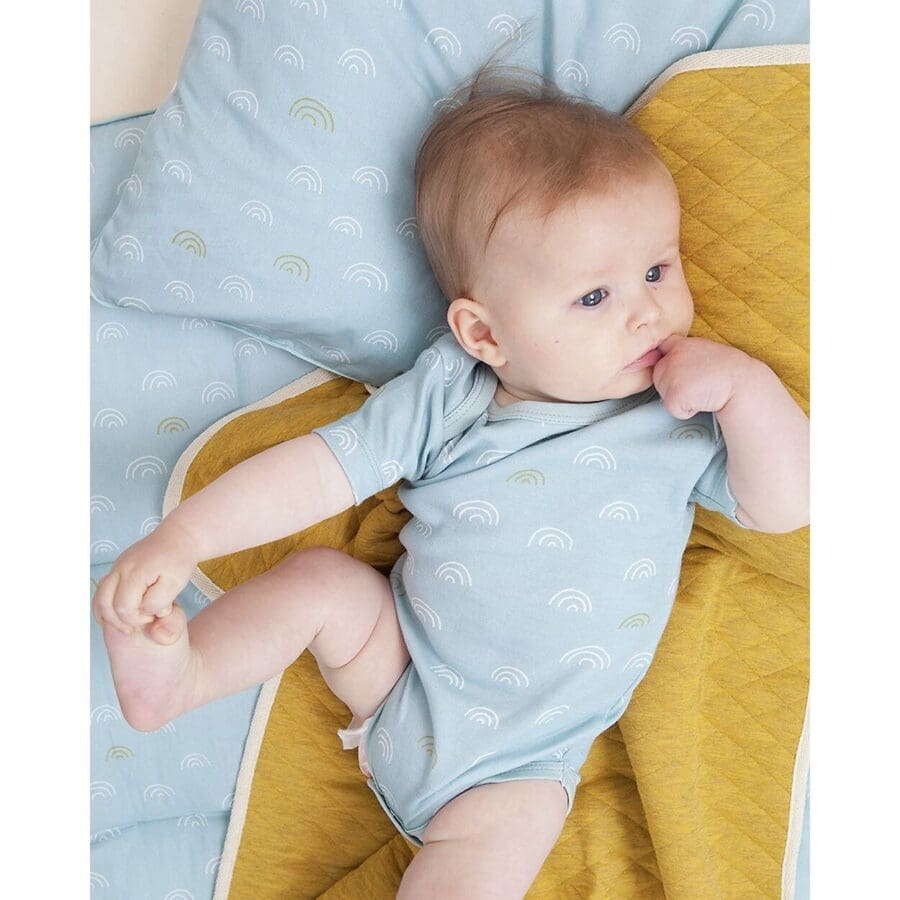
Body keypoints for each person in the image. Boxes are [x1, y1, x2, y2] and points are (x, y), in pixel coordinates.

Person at [93, 60, 809, 898]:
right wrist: (186, 538)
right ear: (484, 334)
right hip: (401, 670)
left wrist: (747, 391)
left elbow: (785, 504)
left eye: (657, 271)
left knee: (490, 853)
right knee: (323, 584)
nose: (644, 312)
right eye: (593, 297)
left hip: (522, 763)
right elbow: (321, 469)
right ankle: (185, 674)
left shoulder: (676, 412)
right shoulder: (452, 396)